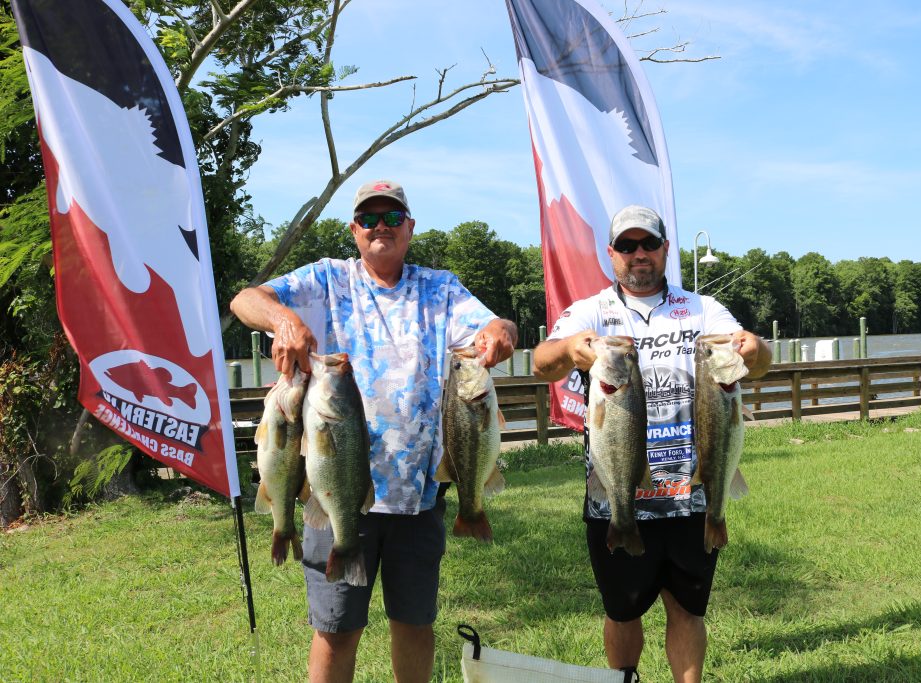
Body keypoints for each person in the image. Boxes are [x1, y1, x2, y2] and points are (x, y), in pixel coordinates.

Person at [230, 179, 517, 683]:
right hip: (336, 489)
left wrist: (502, 331)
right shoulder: (326, 280)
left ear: (410, 227)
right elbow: (244, 300)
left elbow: (494, 327)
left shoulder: (441, 288)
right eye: (368, 219)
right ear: (353, 230)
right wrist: (282, 320)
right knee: (336, 630)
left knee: (414, 624)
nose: (380, 227)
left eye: (391, 217)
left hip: (418, 497)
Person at [531, 205, 770, 683]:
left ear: (665, 249)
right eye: (627, 246)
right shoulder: (591, 311)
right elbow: (543, 363)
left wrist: (752, 347)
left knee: (688, 609)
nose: (638, 254)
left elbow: (758, 362)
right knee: (623, 612)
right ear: (612, 254)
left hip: (690, 497)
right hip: (616, 494)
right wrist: (569, 348)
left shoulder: (702, 309)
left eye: (648, 244)